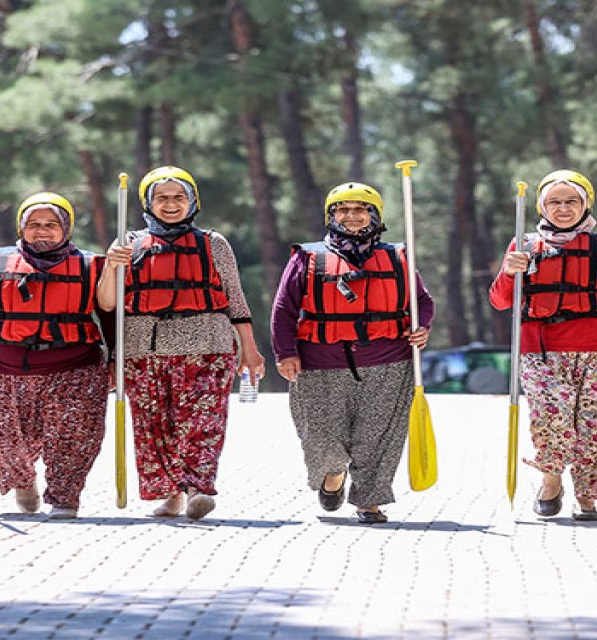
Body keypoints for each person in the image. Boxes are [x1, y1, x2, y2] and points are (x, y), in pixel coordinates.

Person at [489, 169, 597, 521]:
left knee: (596, 425)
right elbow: (499, 301)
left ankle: (587, 496)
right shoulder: (522, 246)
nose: (564, 208)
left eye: (572, 201)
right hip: (541, 351)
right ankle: (551, 478)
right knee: (552, 418)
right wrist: (509, 272)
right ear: (541, 206)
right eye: (554, 201)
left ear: (586, 203)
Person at [98, 165, 265, 520]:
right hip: (145, 348)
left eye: (179, 197)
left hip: (207, 343)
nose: (171, 204)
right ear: (148, 202)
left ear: (193, 201)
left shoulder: (214, 243)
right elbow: (108, 303)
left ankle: (198, 488)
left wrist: (249, 349)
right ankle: (171, 494)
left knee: (203, 420)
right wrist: (112, 267)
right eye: (162, 198)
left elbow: (235, 298)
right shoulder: (126, 243)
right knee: (154, 426)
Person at [270, 182, 434, 524]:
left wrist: (423, 327)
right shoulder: (309, 258)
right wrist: (285, 352)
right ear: (331, 216)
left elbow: (422, 302)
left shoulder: (399, 257)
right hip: (319, 362)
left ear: (375, 215)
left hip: (388, 361)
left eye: (361, 209)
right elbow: (284, 308)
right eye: (343, 210)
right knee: (321, 440)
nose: (352, 216)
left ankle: (370, 500)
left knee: (378, 439)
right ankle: (332, 476)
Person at [0, 192, 113, 520]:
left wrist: (116, 359)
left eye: (51, 224)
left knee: (73, 437)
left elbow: (110, 316)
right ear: (21, 228)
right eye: (33, 224)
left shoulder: (92, 265)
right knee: (3, 439)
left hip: (74, 366)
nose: (42, 230)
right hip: (2, 367)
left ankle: (65, 498)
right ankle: (22, 483)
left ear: (67, 228)